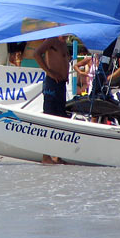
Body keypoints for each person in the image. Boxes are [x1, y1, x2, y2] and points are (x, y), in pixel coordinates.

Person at [34, 35, 70, 165]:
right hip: (52, 83)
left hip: (61, 84)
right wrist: (49, 72)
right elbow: (36, 54)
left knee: (61, 119)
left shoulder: (64, 43)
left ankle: (57, 155)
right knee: (49, 119)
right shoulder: (52, 40)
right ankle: (46, 156)